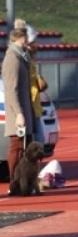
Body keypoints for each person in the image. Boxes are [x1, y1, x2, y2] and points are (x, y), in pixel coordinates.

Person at [2, 23, 35, 195]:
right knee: (16, 147)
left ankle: (26, 184)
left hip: (24, 111)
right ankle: (14, 184)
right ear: (19, 39)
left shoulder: (21, 56)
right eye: (26, 40)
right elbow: (11, 89)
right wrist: (19, 114)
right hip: (18, 113)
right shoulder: (12, 59)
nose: (28, 43)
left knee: (26, 148)